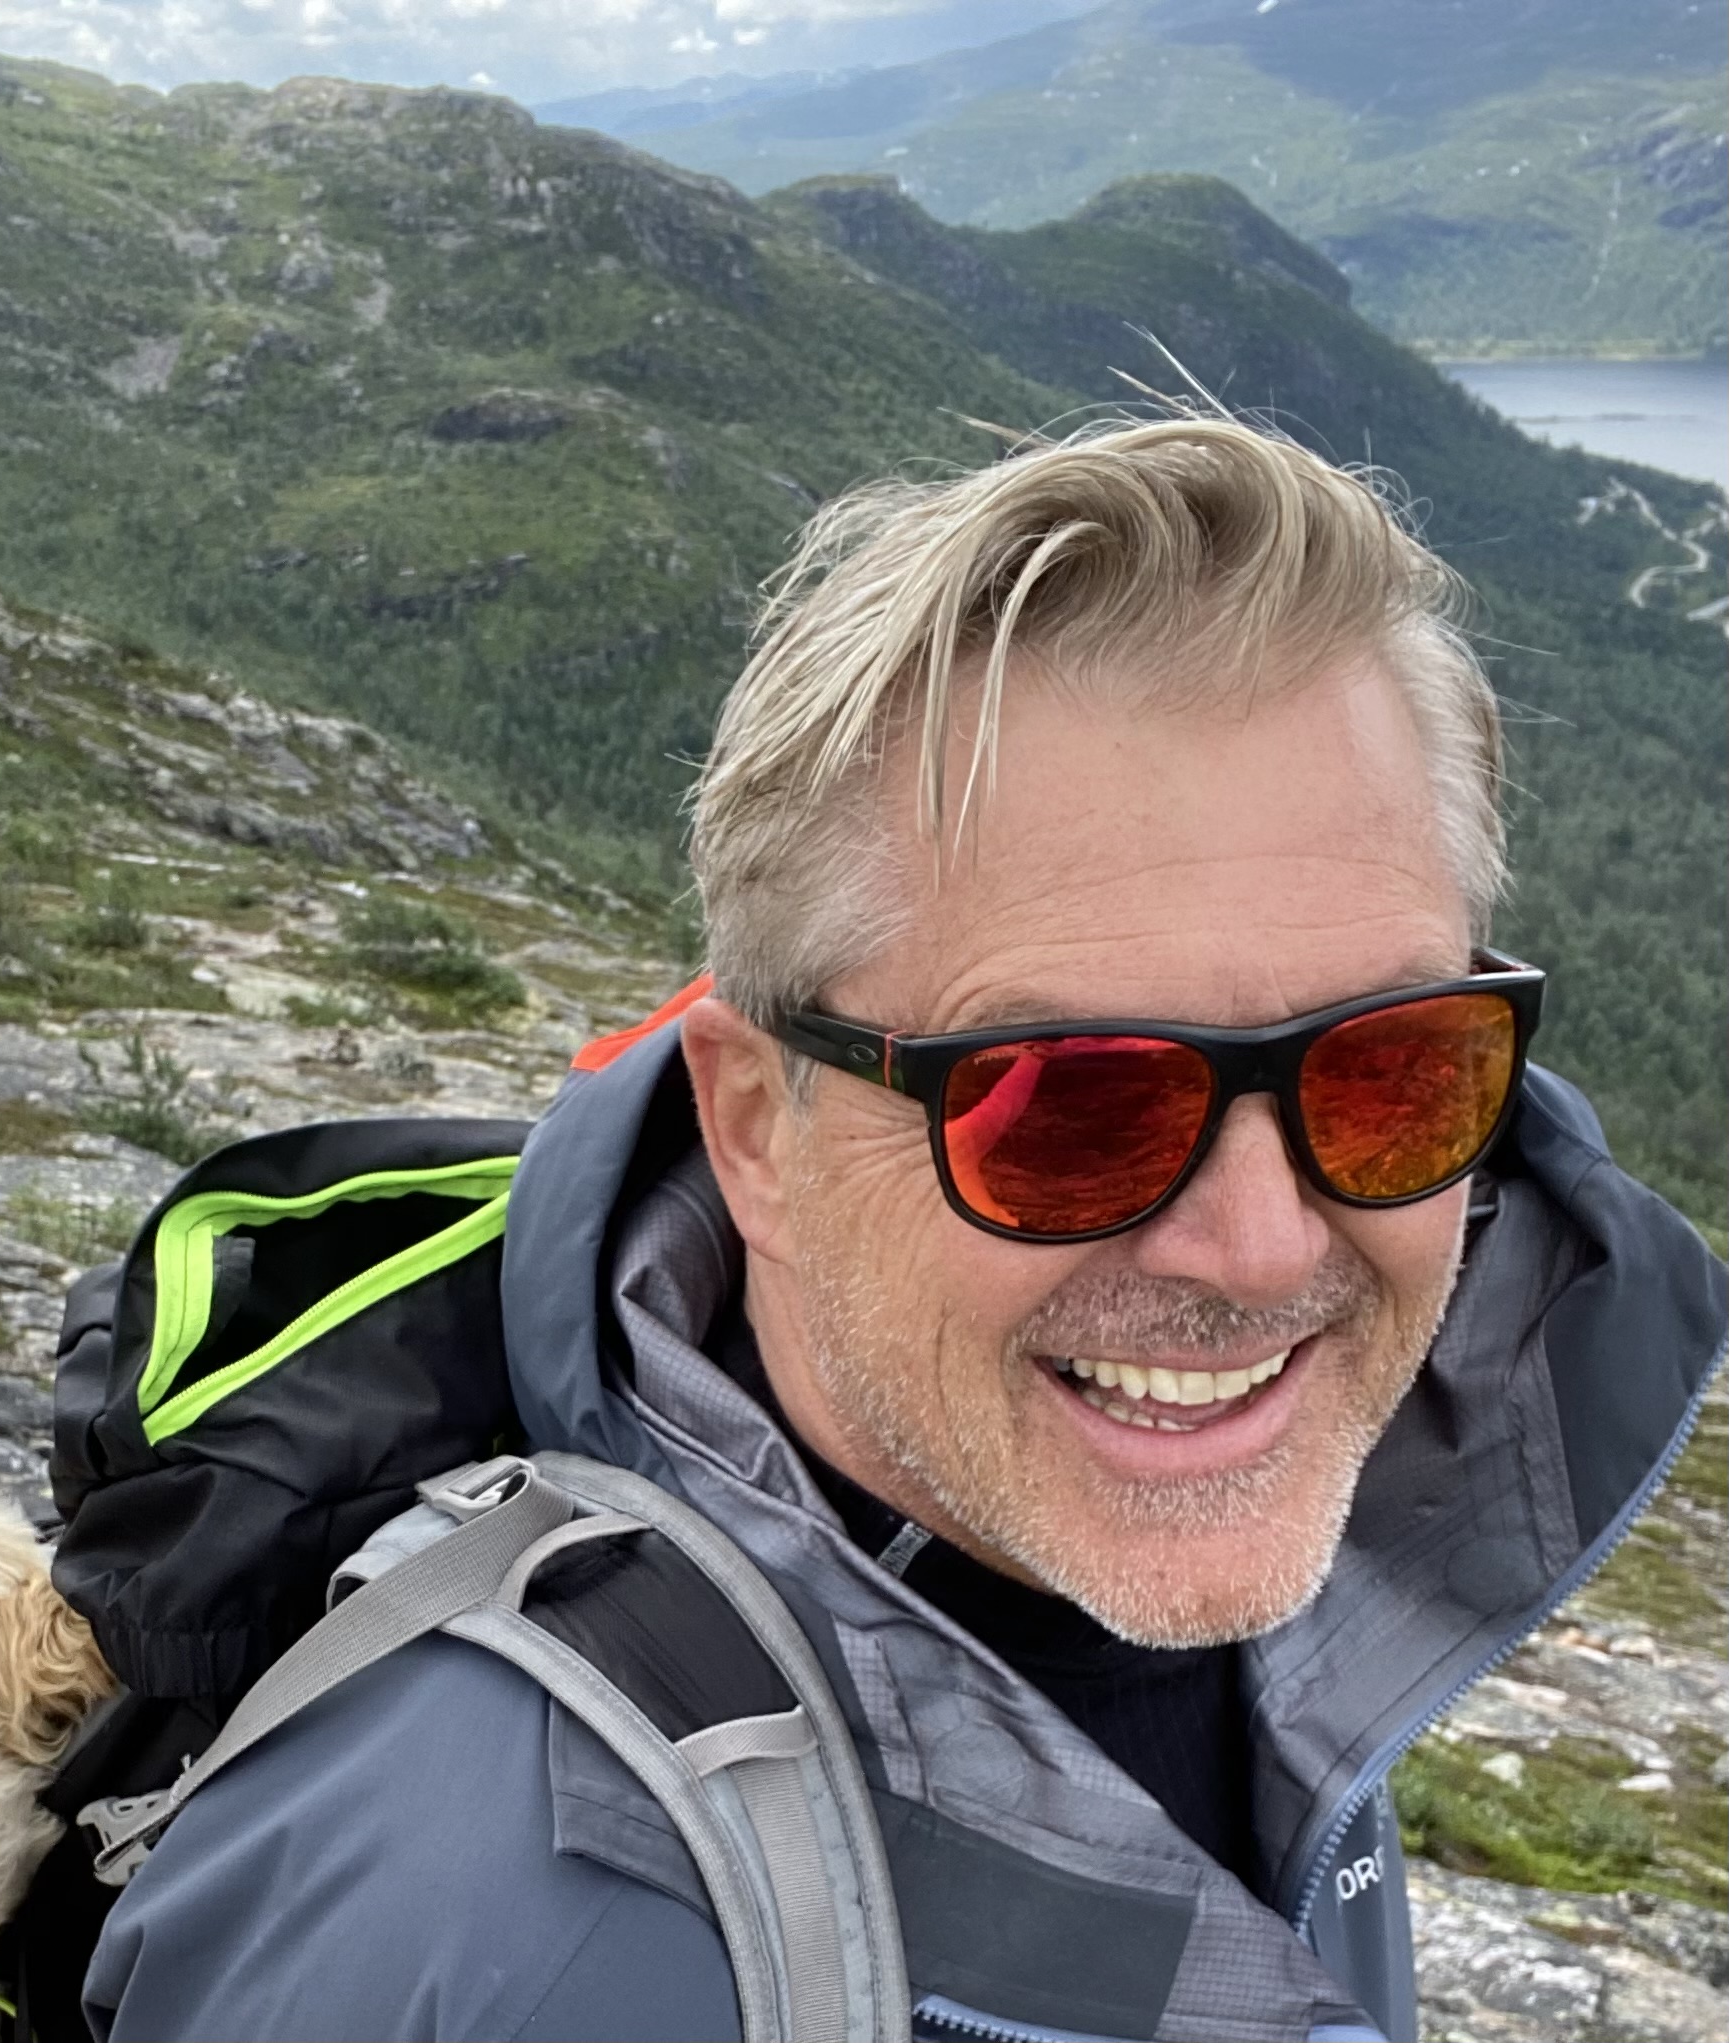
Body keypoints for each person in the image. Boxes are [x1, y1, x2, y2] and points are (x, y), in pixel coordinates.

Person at [83, 417, 1724, 2042]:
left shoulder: (1290, 1551)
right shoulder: (481, 1950)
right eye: (1067, 1105)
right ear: (756, 1129)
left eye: (1390, 1070)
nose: (1264, 1250)